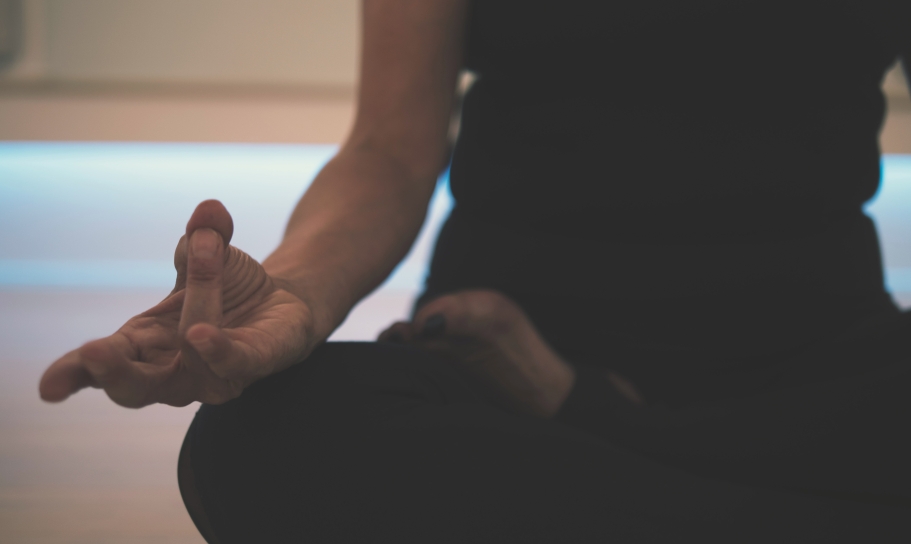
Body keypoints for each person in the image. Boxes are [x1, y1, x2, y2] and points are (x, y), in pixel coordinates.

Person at [39, 1, 911, 542]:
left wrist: (585, 413)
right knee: (262, 446)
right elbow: (388, 146)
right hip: (490, 361)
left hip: (813, 372)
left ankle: (590, 418)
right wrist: (297, 295)